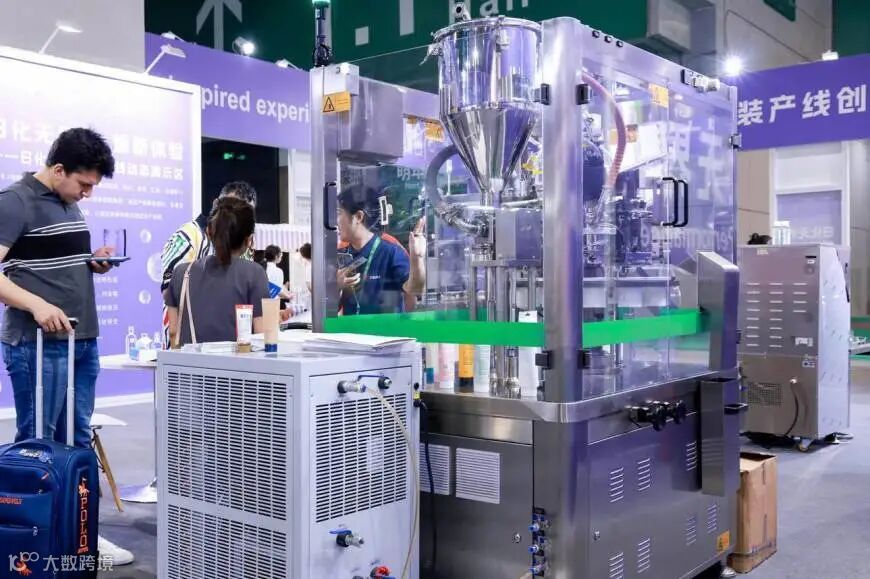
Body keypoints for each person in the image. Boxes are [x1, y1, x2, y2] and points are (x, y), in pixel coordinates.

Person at [0, 128, 134, 565]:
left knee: (76, 443)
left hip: (81, 341)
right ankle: (33, 542)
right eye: (84, 184)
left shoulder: (69, 203)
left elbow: (52, 261)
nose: (88, 194)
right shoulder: (14, 201)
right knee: (39, 446)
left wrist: (92, 262)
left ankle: (80, 536)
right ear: (58, 170)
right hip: (38, 345)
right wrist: (37, 305)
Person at [160, 181, 257, 345]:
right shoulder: (187, 236)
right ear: (216, 205)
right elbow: (169, 291)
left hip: (232, 345)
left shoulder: (245, 245)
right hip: (188, 344)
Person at [336, 185, 425, 315]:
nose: (335, 221)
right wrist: (336, 287)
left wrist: (417, 259)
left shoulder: (391, 252)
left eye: (339, 213)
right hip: (351, 328)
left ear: (358, 217)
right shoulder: (341, 254)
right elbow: (329, 309)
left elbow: (415, 289)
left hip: (387, 328)